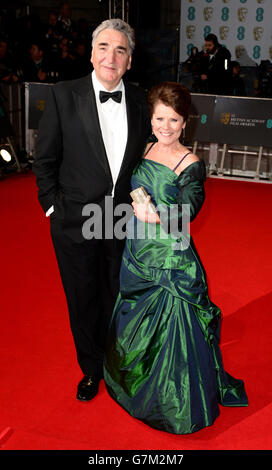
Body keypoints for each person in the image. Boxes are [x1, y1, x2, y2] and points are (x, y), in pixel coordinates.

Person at [103, 81, 248, 434]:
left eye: (173, 120)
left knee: (175, 332)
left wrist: (156, 216)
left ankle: (175, 403)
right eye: (159, 119)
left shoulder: (191, 162)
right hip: (137, 250)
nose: (165, 127)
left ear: (185, 123)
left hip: (171, 260)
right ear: (150, 120)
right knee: (134, 319)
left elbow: (191, 207)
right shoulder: (146, 147)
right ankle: (137, 384)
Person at [33, 19, 151, 402]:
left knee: (118, 294)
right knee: (82, 296)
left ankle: (119, 364)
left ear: (129, 61)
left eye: (120, 50)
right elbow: (45, 158)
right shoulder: (63, 95)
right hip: (75, 220)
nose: (110, 56)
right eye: (104, 46)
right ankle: (91, 368)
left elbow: (149, 158)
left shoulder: (140, 99)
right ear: (91, 52)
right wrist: (53, 207)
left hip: (121, 219)